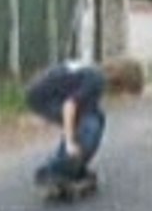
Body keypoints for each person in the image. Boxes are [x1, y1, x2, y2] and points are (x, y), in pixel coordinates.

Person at [25, 58, 141, 188]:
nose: (123, 97)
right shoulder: (97, 81)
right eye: (127, 92)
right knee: (90, 125)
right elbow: (69, 106)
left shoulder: (96, 72)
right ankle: (55, 171)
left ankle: (72, 167)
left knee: (95, 117)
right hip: (43, 98)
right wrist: (69, 143)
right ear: (123, 82)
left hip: (42, 91)